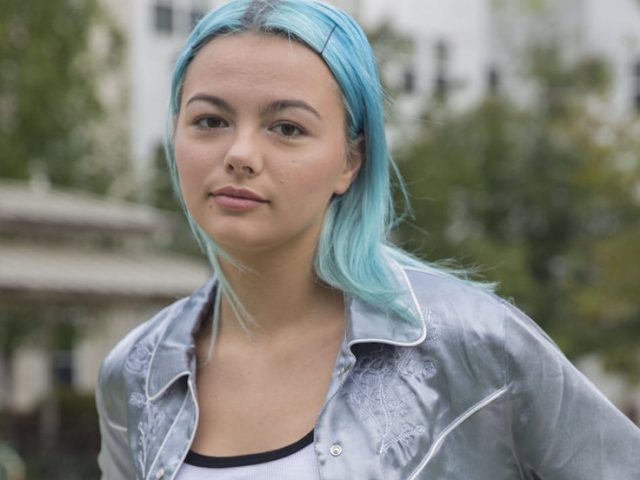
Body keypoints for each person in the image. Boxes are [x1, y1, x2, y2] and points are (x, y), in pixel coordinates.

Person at [95, 0, 640, 479]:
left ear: (350, 161)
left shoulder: (474, 344)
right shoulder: (138, 372)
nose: (239, 153)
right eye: (210, 121)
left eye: (286, 127)